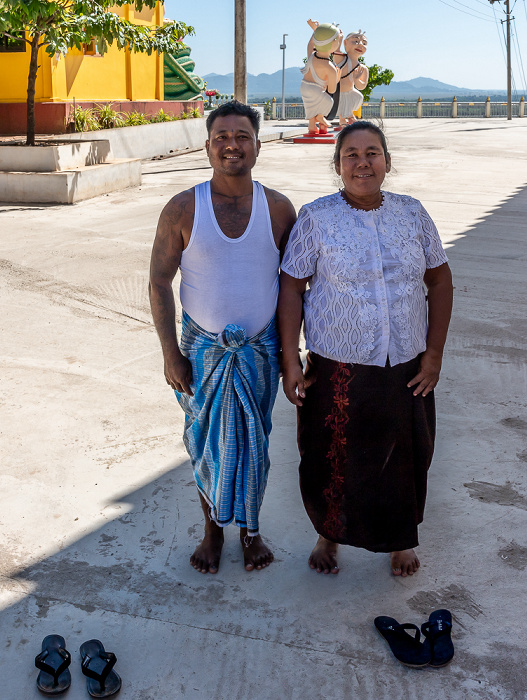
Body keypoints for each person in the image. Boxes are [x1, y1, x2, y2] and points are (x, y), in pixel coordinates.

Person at [278, 122, 453, 577]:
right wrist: (290, 359)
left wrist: (433, 354)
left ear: (387, 162)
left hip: (406, 364)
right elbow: (292, 287)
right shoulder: (316, 217)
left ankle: (400, 541)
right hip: (338, 367)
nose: (362, 162)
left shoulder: (412, 213)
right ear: (337, 165)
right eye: (351, 154)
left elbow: (439, 280)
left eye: (372, 152)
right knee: (332, 455)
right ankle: (329, 535)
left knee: (407, 454)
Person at [149, 101, 296, 574]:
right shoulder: (182, 208)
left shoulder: (277, 208)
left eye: (242, 136)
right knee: (206, 442)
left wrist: (293, 355)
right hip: (201, 351)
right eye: (222, 137)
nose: (232, 145)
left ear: (257, 143)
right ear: (208, 144)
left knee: (254, 443)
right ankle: (213, 530)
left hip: (259, 352)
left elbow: (295, 286)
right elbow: (158, 282)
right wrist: (171, 353)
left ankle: (250, 531)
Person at [300, 21, 342, 135]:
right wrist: (337, 78)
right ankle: (320, 116)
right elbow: (332, 90)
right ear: (334, 43)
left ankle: (312, 127)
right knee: (328, 101)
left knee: (310, 107)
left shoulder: (311, 56)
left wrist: (315, 31)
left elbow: (310, 44)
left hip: (304, 87)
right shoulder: (329, 67)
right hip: (316, 90)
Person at [335, 31, 369, 126]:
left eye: (364, 43)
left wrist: (357, 79)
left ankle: (349, 117)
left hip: (350, 92)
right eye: (355, 41)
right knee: (341, 105)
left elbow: (361, 87)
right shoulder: (341, 59)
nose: (360, 45)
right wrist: (340, 38)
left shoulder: (363, 68)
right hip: (337, 92)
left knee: (358, 96)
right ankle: (343, 119)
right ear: (345, 43)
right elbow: (336, 50)